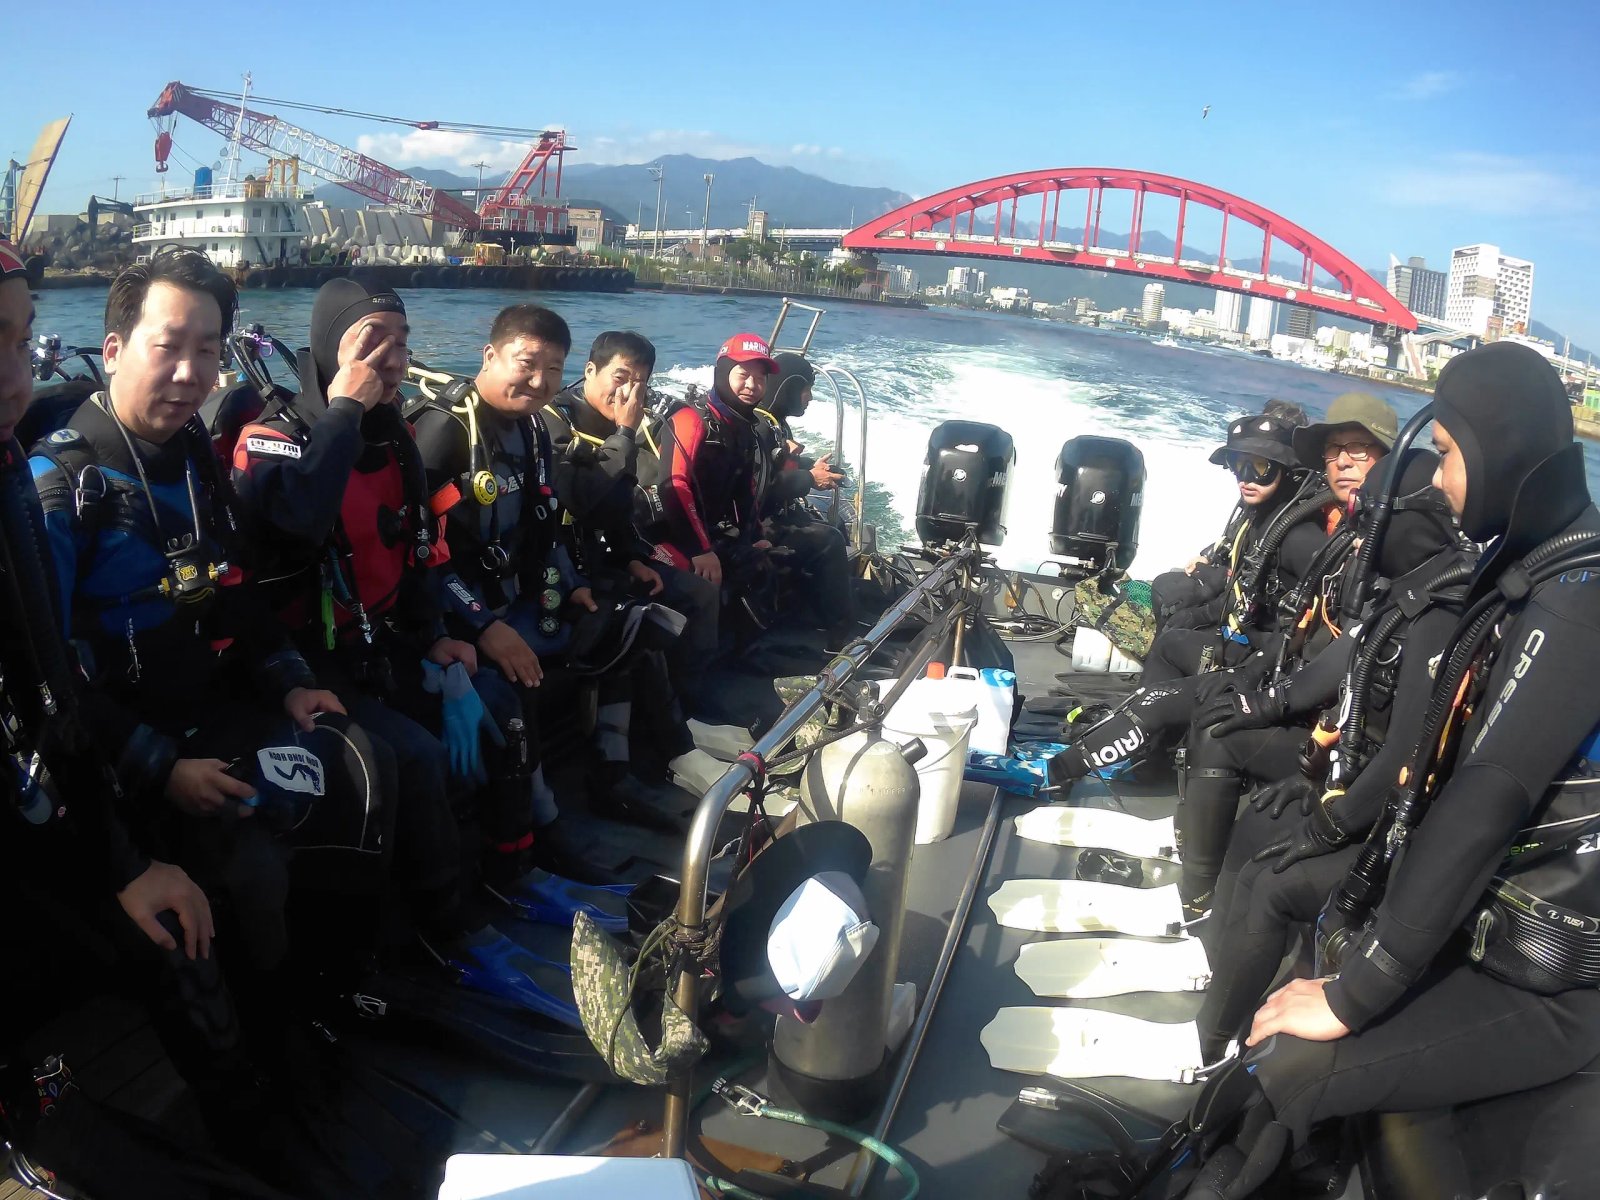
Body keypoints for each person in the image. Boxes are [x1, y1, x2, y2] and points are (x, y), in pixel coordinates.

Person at [1178, 343, 1600, 1197]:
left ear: (1500, 452)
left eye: (1446, 455)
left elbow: (1487, 798)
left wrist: (1357, 994)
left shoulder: (1577, 600)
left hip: (1555, 988)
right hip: (1488, 936)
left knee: (1290, 1069)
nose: (1439, 481)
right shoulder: (1535, 573)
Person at [231, 277, 590, 1018]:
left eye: (401, 343)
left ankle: (512, 873)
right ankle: (431, 930)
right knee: (409, 759)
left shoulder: (391, 433)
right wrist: (345, 408)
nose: (392, 360)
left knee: (500, 697)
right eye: (372, 343)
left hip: (383, 643)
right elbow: (298, 521)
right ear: (329, 346)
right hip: (302, 660)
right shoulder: (274, 435)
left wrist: (439, 637)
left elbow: (422, 548)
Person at [410, 304, 689, 837]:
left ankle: (613, 776)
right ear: (490, 355)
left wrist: (573, 587)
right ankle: (541, 826)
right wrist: (481, 626)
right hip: (460, 617)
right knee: (516, 685)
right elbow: (419, 557)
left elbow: (546, 526)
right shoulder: (443, 430)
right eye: (527, 364)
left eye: (554, 369)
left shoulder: (533, 430)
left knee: (624, 626)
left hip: (518, 600)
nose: (540, 382)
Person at [1174, 449, 1466, 926]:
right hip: (1336, 745)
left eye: (1358, 451)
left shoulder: (1436, 604)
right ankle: (1197, 896)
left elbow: (1408, 747)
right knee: (1219, 730)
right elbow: (1339, 654)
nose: (1342, 464)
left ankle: (1204, 908)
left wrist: (1331, 820)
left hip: (1367, 780)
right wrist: (1264, 701)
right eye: (1332, 453)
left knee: (1267, 868)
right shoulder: (1396, 581)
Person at [540, 330, 720, 711]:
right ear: (590, 371)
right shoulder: (553, 419)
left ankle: (692, 699)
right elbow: (579, 498)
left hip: (604, 558)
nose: (629, 394)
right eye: (620, 378)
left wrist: (631, 557)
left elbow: (618, 502)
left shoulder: (619, 422)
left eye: (640, 384)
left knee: (699, 594)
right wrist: (624, 432)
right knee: (630, 620)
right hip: (559, 568)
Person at [1150, 400, 1309, 636]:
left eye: (1261, 464)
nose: (1247, 475)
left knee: (1174, 610)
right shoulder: (1259, 498)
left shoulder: (1292, 517)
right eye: (1240, 464)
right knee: (1165, 585)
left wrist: (1201, 611)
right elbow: (1236, 535)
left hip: (1253, 616)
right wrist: (1208, 555)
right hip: (1233, 586)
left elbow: (1257, 586)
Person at [653, 332, 776, 592]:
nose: (752, 385)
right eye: (743, 375)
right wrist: (700, 550)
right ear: (722, 373)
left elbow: (745, 492)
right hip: (662, 536)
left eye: (760, 378)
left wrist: (754, 537)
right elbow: (673, 486)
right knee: (706, 590)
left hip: (707, 534)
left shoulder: (744, 429)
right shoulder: (691, 420)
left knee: (767, 565)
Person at [752, 350, 858, 642]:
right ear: (787, 388)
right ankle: (840, 634)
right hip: (759, 525)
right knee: (829, 540)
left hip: (777, 514)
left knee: (836, 525)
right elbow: (761, 487)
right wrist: (810, 478)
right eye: (805, 390)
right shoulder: (759, 427)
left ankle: (816, 609)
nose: (809, 398)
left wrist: (811, 466)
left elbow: (777, 465)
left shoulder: (774, 423)